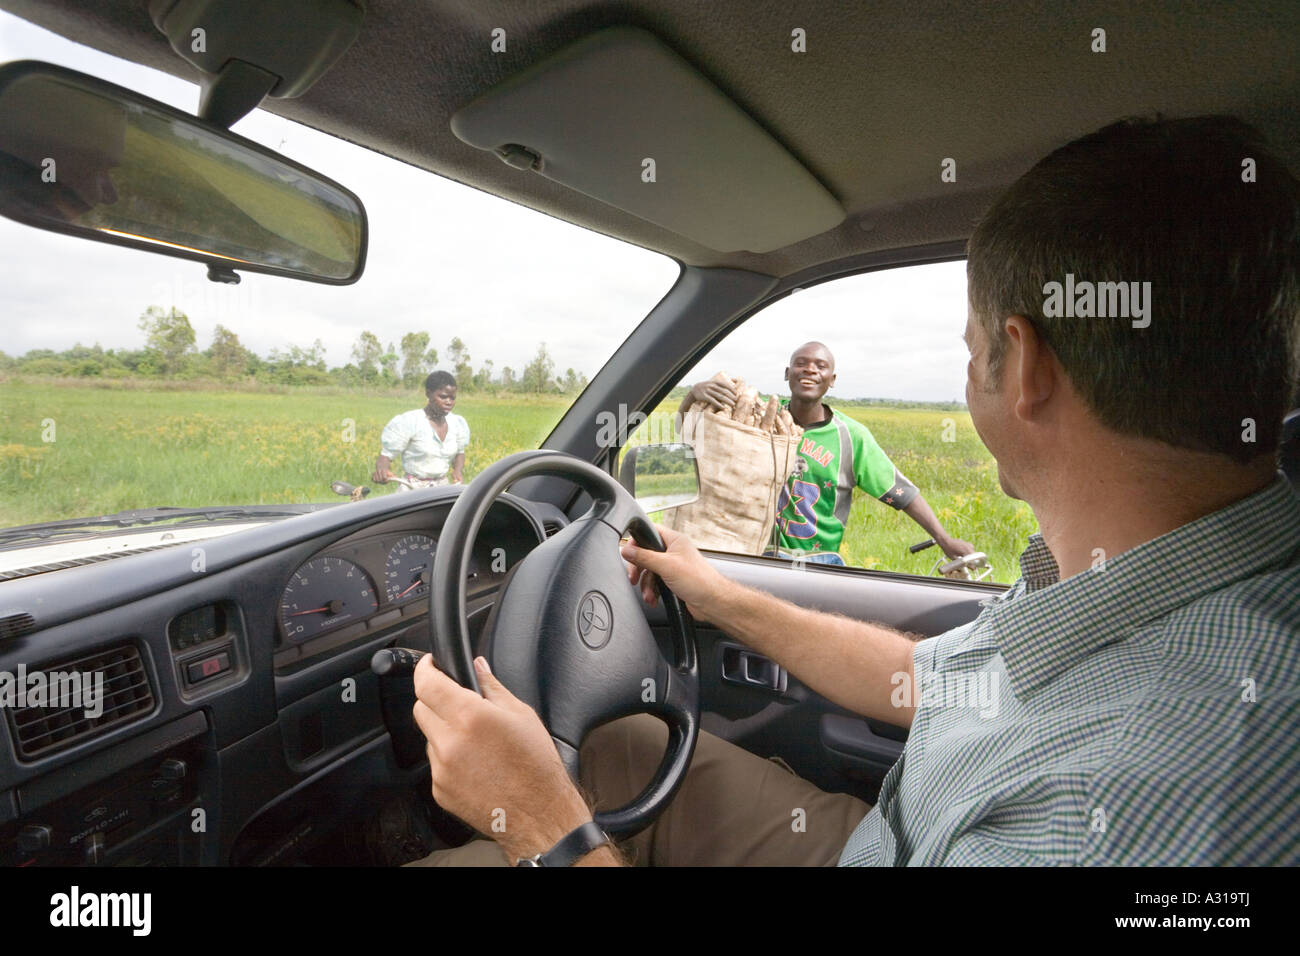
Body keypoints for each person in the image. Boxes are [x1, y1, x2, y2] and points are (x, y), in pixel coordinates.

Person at [408, 114, 1300, 866]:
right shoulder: (1120, 575)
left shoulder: (1158, 802)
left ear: (1022, 364)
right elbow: (936, 682)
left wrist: (539, 826)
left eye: (969, 348)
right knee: (622, 747)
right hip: (894, 837)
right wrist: (723, 596)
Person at [677, 342, 974, 565]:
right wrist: (693, 394)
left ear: (832, 379)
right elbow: (691, 441)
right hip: (757, 555)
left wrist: (943, 538)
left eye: (820, 366)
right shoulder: (758, 420)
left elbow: (901, 493)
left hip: (820, 562)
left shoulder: (851, 437)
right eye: (801, 363)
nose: (810, 370)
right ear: (787, 373)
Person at [372, 370, 469, 489]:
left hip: (443, 489)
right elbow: (386, 456)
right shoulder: (410, 421)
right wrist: (382, 471)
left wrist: (457, 471)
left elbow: (460, 452)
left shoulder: (456, 423)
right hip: (412, 489)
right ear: (428, 394)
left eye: (452, 398)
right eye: (443, 397)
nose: (449, 402)